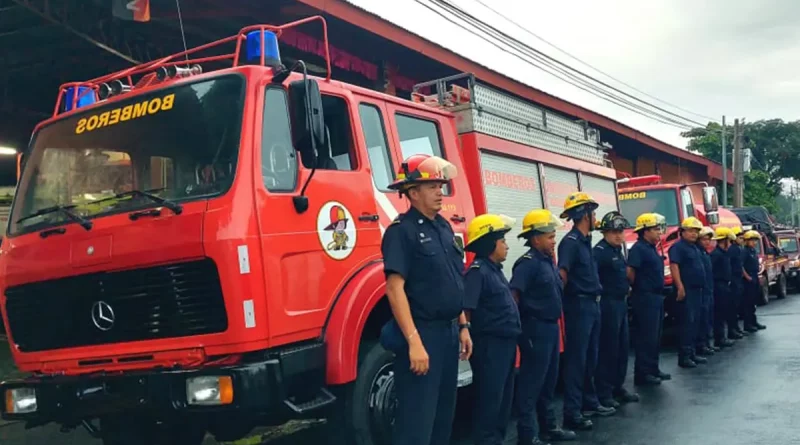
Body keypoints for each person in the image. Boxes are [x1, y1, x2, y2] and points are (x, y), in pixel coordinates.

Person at [381, 153, 473, 445]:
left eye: (441, 185)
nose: (440, 191)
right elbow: (394, 289)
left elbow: (453, 280)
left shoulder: (443, 228)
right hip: (424, 334)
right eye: (433, 186)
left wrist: (462, 326)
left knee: (443, 418)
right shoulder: (401, 232)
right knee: (417, 423)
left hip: (448, 334)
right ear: (413, 193)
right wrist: (414, 342)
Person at [511, 209, 577, 445]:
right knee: (531, 385)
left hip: (550, 329)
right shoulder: (526, 265)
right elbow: (514, 298)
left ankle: (549, 428)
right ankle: (528, 436)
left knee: (549, 382)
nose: (553, 240)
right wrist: (521, 333)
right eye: (549, 236)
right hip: (534, 330)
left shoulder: (548, 262)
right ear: (535, 238)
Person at [462, 214, 521, 445]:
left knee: (504, 399)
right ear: (489, 244)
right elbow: (466, 310)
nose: (506, 245)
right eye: (502, 241)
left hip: (505, 345)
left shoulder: (494, 270)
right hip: (490, 347)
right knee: (490, 399)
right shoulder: (477, 271)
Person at [557, 192, 613, 431]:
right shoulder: (570, 243)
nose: (595, 216)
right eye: (593, 212)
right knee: (577, 360)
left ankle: (589, 402)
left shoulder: (585, 241)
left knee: (591, 357)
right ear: (585, 215)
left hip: (592, 304)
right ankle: (573, 411)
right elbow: (562, 275)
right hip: (578, 306)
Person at [593, 211, 640, 408]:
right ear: (605, 232)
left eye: (621, 231)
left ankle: (617, 387)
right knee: (608, 349)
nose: (619, 236)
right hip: (607, 304)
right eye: (614, 232)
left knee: (622, 348)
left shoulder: (616, 252)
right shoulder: (599, 253)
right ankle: (604, 392)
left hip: (620, 303)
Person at [627, 213, 669, 385]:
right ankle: (643, 373)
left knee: (655, 336)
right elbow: (630, 272)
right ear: (645, 231)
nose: (659, 232)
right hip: (645, 297)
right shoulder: (638, 249)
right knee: (646, 336)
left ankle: (653, 368)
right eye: (655, 229)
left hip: (656, 297)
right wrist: (638, 288)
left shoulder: (652, 248)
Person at [668, 217, 708, 369]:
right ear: (682, 232)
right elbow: (674, 266)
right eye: (691, 231)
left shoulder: (694, 248)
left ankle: (692, 353)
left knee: (694, 323)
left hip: (697, 290)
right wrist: (680, 286)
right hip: (687, 290)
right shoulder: (678, 248)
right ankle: (684, 356)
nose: (694, 234)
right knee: (686, 323)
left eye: (696, 231)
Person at [711, 227, 736, 349]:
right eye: (729, 241)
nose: (730, 244)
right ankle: (719, 338)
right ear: (724, 240)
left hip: (725, 285)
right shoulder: (716, 254)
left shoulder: (724, 253)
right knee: (719, 314)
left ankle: (723, 336)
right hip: (718, 285)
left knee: (724, 311)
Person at [694, 227, 716, 357]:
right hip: (700, 291)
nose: (707, 242)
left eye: (709, 239)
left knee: (708, 318)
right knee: (700, 319)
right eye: (704, 239)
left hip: (708, 289)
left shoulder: (705, 253)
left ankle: (707, 343)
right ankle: (701, 346)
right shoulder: (697, 251)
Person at [742, 230, 767, 332]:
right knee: (748, 303)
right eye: (752, 240)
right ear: (746, 241)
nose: (754, 243)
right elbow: (741, 266)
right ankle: (748, 324)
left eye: (755, 240)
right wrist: (747, 277)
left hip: (755, 276)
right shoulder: (744, 251)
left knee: (753, 301)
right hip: (748, 278)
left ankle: (754, 322)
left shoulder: (753, 251)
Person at [727, 227, 746, 339]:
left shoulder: (738, 248)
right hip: (733, 280)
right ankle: (732, 330)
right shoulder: (733, 250)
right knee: (732, 307)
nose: (742, 239)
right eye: (740, 238)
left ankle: (737, 328)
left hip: (738, 279)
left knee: (737, 305)